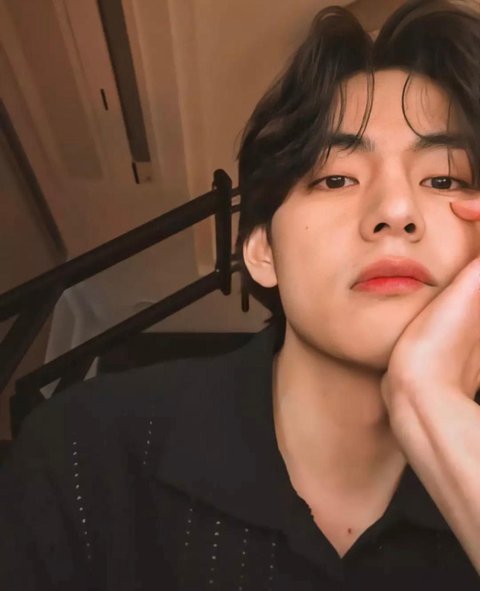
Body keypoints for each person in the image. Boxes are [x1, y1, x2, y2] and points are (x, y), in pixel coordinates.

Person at [1, 0, 480, 589]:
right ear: (262, 251)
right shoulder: (84, 451)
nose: (397, 210)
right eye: (336, 178)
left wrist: (436, 412)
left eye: (444, 178)